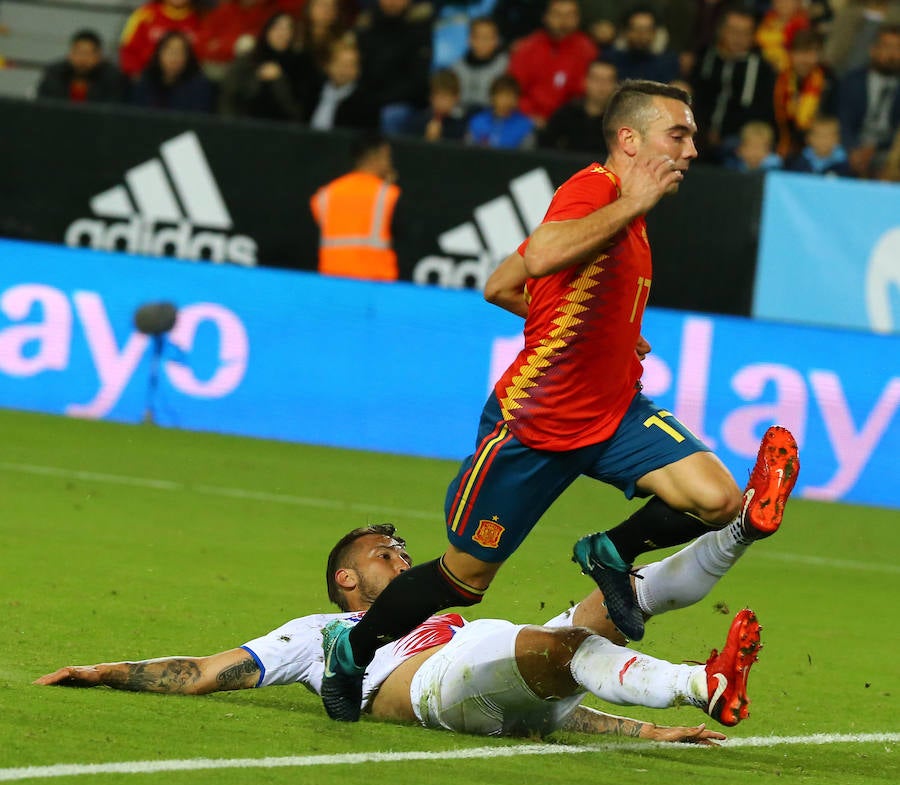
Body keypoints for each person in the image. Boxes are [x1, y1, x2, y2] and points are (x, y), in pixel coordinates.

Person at [319, 80, 788, 721]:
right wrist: (630, 209)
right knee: (463, 579)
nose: (692, 148)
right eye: (678, 134)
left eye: (693, 136)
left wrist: (605, 332)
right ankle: (356, 648)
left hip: (616, 409)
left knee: (718, 500)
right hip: (536, 423)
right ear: (630, 139)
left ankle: (612, 552)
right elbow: (537, 256)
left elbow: (500, 285)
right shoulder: (595, 191)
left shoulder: (628, 211)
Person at [37, 435, 802, 736]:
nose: (399, 556)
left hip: (481, 671)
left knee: (619, 599)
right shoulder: (318, 634)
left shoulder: (441, 610)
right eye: (381, 553)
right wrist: (104, 671)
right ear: (346, 578)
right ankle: (701, 681)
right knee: (560, 641)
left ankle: (742, 531)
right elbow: (204, 673)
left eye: (401, 547)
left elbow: (547, 714)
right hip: (432, 685)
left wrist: (648, 732)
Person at [691, 6, 778, 163]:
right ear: (722, 31)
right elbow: (696, 97)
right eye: (733, 31)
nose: (738, 38)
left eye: (745, 33)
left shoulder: (763, 69)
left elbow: (763, 112)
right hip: (698, 133)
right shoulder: (706, 58)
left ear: (753, 36)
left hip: (739, 142)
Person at [309, 134, 400, 280]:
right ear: (379, 155)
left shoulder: (325, 195)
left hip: (332, 278)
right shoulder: (388, 194)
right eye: (388, 157)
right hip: (375, 283)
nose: (389, 164)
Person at [507, 0, 598, 126]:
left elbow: (588, 94)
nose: (563, 21)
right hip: (527, 121)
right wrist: (529, 116)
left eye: (569, 15)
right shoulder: (526, 48)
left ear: (578, 18)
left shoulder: (588, 50)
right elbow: (511, 90)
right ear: (545, 17)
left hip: (572, 123)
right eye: (557, 14)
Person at [354, 0, 434, 134]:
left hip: (405, 103)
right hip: (370, 97)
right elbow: (359, 69)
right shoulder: (368, 25)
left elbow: (418, 81)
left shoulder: (419, 28)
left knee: (391, 115)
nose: (392, 2)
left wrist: (380, 100)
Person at [219, 11, 311, 122]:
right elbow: (230, 99)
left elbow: (298, 112)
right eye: (277, 27)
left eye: (288, 29)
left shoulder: (301, 65)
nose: (282, 33)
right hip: (244, 127)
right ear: (267, 30)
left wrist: (279, 80)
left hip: (283, 132)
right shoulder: (248, 60)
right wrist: (258, 77)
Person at [836, 23, 900, 178]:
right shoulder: (852, 81)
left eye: (898, 48)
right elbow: (842, 120)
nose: (892, 54)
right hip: (850, 148)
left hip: (888, 151)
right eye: (887, 46)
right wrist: (853, 148)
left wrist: (874, 148)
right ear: (873, 50)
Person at [773, 29, 837, 160]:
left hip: (815, 144)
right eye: (801, 52)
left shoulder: (828, 80)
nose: (806, 59)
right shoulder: (777, 78)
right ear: (791, 54)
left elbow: (830, 115)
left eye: (812, 53)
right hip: (779, 140)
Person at [539, 58, 618, 155]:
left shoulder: (619, 121)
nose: (601, 86)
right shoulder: (566, 114)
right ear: (585, 81)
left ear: (615, 85)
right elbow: (545, 149)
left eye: (607, 80)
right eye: (596, 79)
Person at [130, 30, 215, 112]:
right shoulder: (146, 80)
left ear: (188, 57)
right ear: (159, 54)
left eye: (179, 52)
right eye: (170, 51)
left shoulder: (200, 86)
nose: (174, 58)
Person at [119, 0, 203, 80]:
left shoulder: (201, 18)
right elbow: (128, 50)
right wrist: (137, 76)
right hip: (148, 80)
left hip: (189, 82)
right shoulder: (145, 14)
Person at [36, 30, 126, 104]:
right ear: (70, 54)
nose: (82, 59)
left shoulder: (112, 78)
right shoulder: (54, 73)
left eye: (88, 54)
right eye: (78, 53)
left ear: (99, 56)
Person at [307, 39, 379, 131]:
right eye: (339, 64)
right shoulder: (313, 90)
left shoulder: (366, 101)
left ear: (358, 70)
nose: (343, 70)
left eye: (350, 65)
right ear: (327, 65)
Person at [605, 6, 680, 84]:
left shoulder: (667, 62)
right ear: (625, 32)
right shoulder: (611, 59)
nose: (641, 35)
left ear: (654, 33)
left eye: (647, 30)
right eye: (636, 29)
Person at [452, 17, 510, 116]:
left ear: (496, 40)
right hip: (460, 117)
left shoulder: (506, 66)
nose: (482, 42)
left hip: (493, 118)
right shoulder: (456, 67)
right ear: (469, 39)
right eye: (478, 37)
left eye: (487, 38)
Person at [466, 74, 537, 148]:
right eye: (502, 95)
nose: (506, 101)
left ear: (517, 99)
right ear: (492, 97)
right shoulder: (478, 121)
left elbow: (528, 156)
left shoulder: (525, 125)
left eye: (511, 96)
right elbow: (468, 152)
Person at [403, 69, 468, 142]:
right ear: (431, 97)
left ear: (456, 98)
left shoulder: (460, 126)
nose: (441, 103)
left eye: (445, 97)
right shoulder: (416, 122)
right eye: (438, 97)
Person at [786, 113, 853, 175]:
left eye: (828, 136)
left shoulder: (847, 167)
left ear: (837, 139)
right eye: (819, 136)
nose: (823, 141)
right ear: (808, 138)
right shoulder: (797, 162)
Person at [755, 0, 811, 74]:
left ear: (798, 3)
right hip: (763, 68)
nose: (784, 3)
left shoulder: (803, 27)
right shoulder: (765, 20)